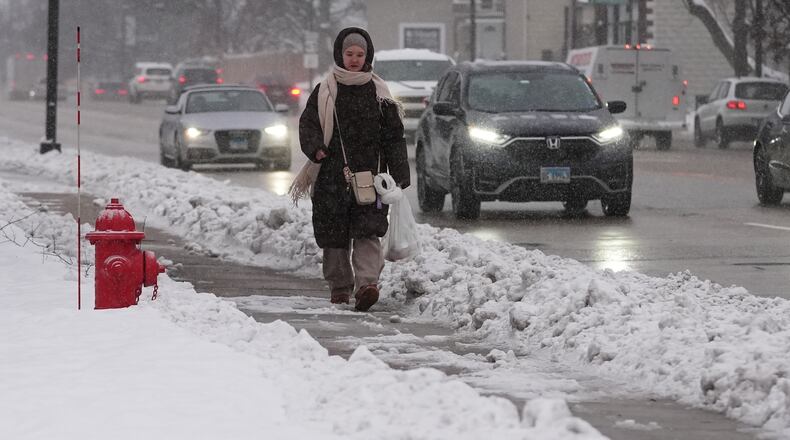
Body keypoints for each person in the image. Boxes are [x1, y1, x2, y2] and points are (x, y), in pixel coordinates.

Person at [291, 27, 409, 311]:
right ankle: (339, 287)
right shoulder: (325, 90)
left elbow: (393, 135)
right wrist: (317, 148)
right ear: (339, 54)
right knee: (334, 235)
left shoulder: (380, 93)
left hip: (371, 176)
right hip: (332, 174)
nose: (355, 59)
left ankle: (367, 285)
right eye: (349, 53)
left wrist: (399, 174)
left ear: (368, 55)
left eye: (360, 54)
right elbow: (309, 124)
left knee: (368, 231)